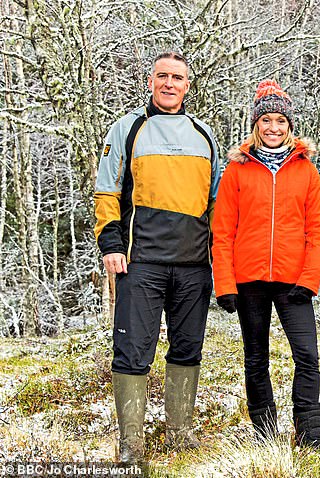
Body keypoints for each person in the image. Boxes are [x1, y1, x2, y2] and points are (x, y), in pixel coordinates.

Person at [94, 52, 220, 463]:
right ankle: (131, 442)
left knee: (188, 347)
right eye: (162, 76)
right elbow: (106, 190)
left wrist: (221, 256)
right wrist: (111, 244)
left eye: (178, 78)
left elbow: (217, 203)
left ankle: (179, 434)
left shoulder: (204, 134)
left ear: (188, 85)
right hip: (140, 261)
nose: (169, 84)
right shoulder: (127, 129)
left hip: (194, 264)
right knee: (132, 351)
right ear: (150, 81)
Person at [212, 80, 320, 448]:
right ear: (256, 125)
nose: (273, 127)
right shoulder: (237, 170)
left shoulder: (305, 170)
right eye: (267, 120)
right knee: (256, 359)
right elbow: (222, 231)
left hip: (295, 282)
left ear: (290, 126)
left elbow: (318, 229)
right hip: (249, 282)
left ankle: (310, 434)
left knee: (307, 356)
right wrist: (226, 285)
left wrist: (309, 281)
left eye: (281, 120)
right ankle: (265, 436)